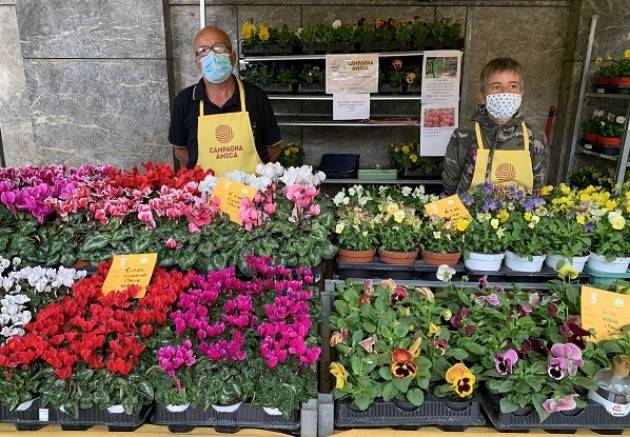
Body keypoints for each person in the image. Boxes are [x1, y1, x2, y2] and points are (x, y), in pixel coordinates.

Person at [168, 26, 281, 175]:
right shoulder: (184, 101)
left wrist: (256, 178)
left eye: (218, 47)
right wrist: (201, 178)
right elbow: (180, 150)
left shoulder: (255, 96)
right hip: (205, 194)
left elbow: (273, 147)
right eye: (203, 51)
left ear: (232, 56)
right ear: (197, 63)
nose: (212, 55)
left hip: (252, 193)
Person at [441, 57, 549, 194]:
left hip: (519, 214)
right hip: (471, 213)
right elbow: (450, 185)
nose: (505, 92)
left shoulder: (535, 137)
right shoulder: (464, 135)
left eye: (513, 86)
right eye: (496, 87)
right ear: (482, 95)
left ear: (521, 93)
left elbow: (538, 189)